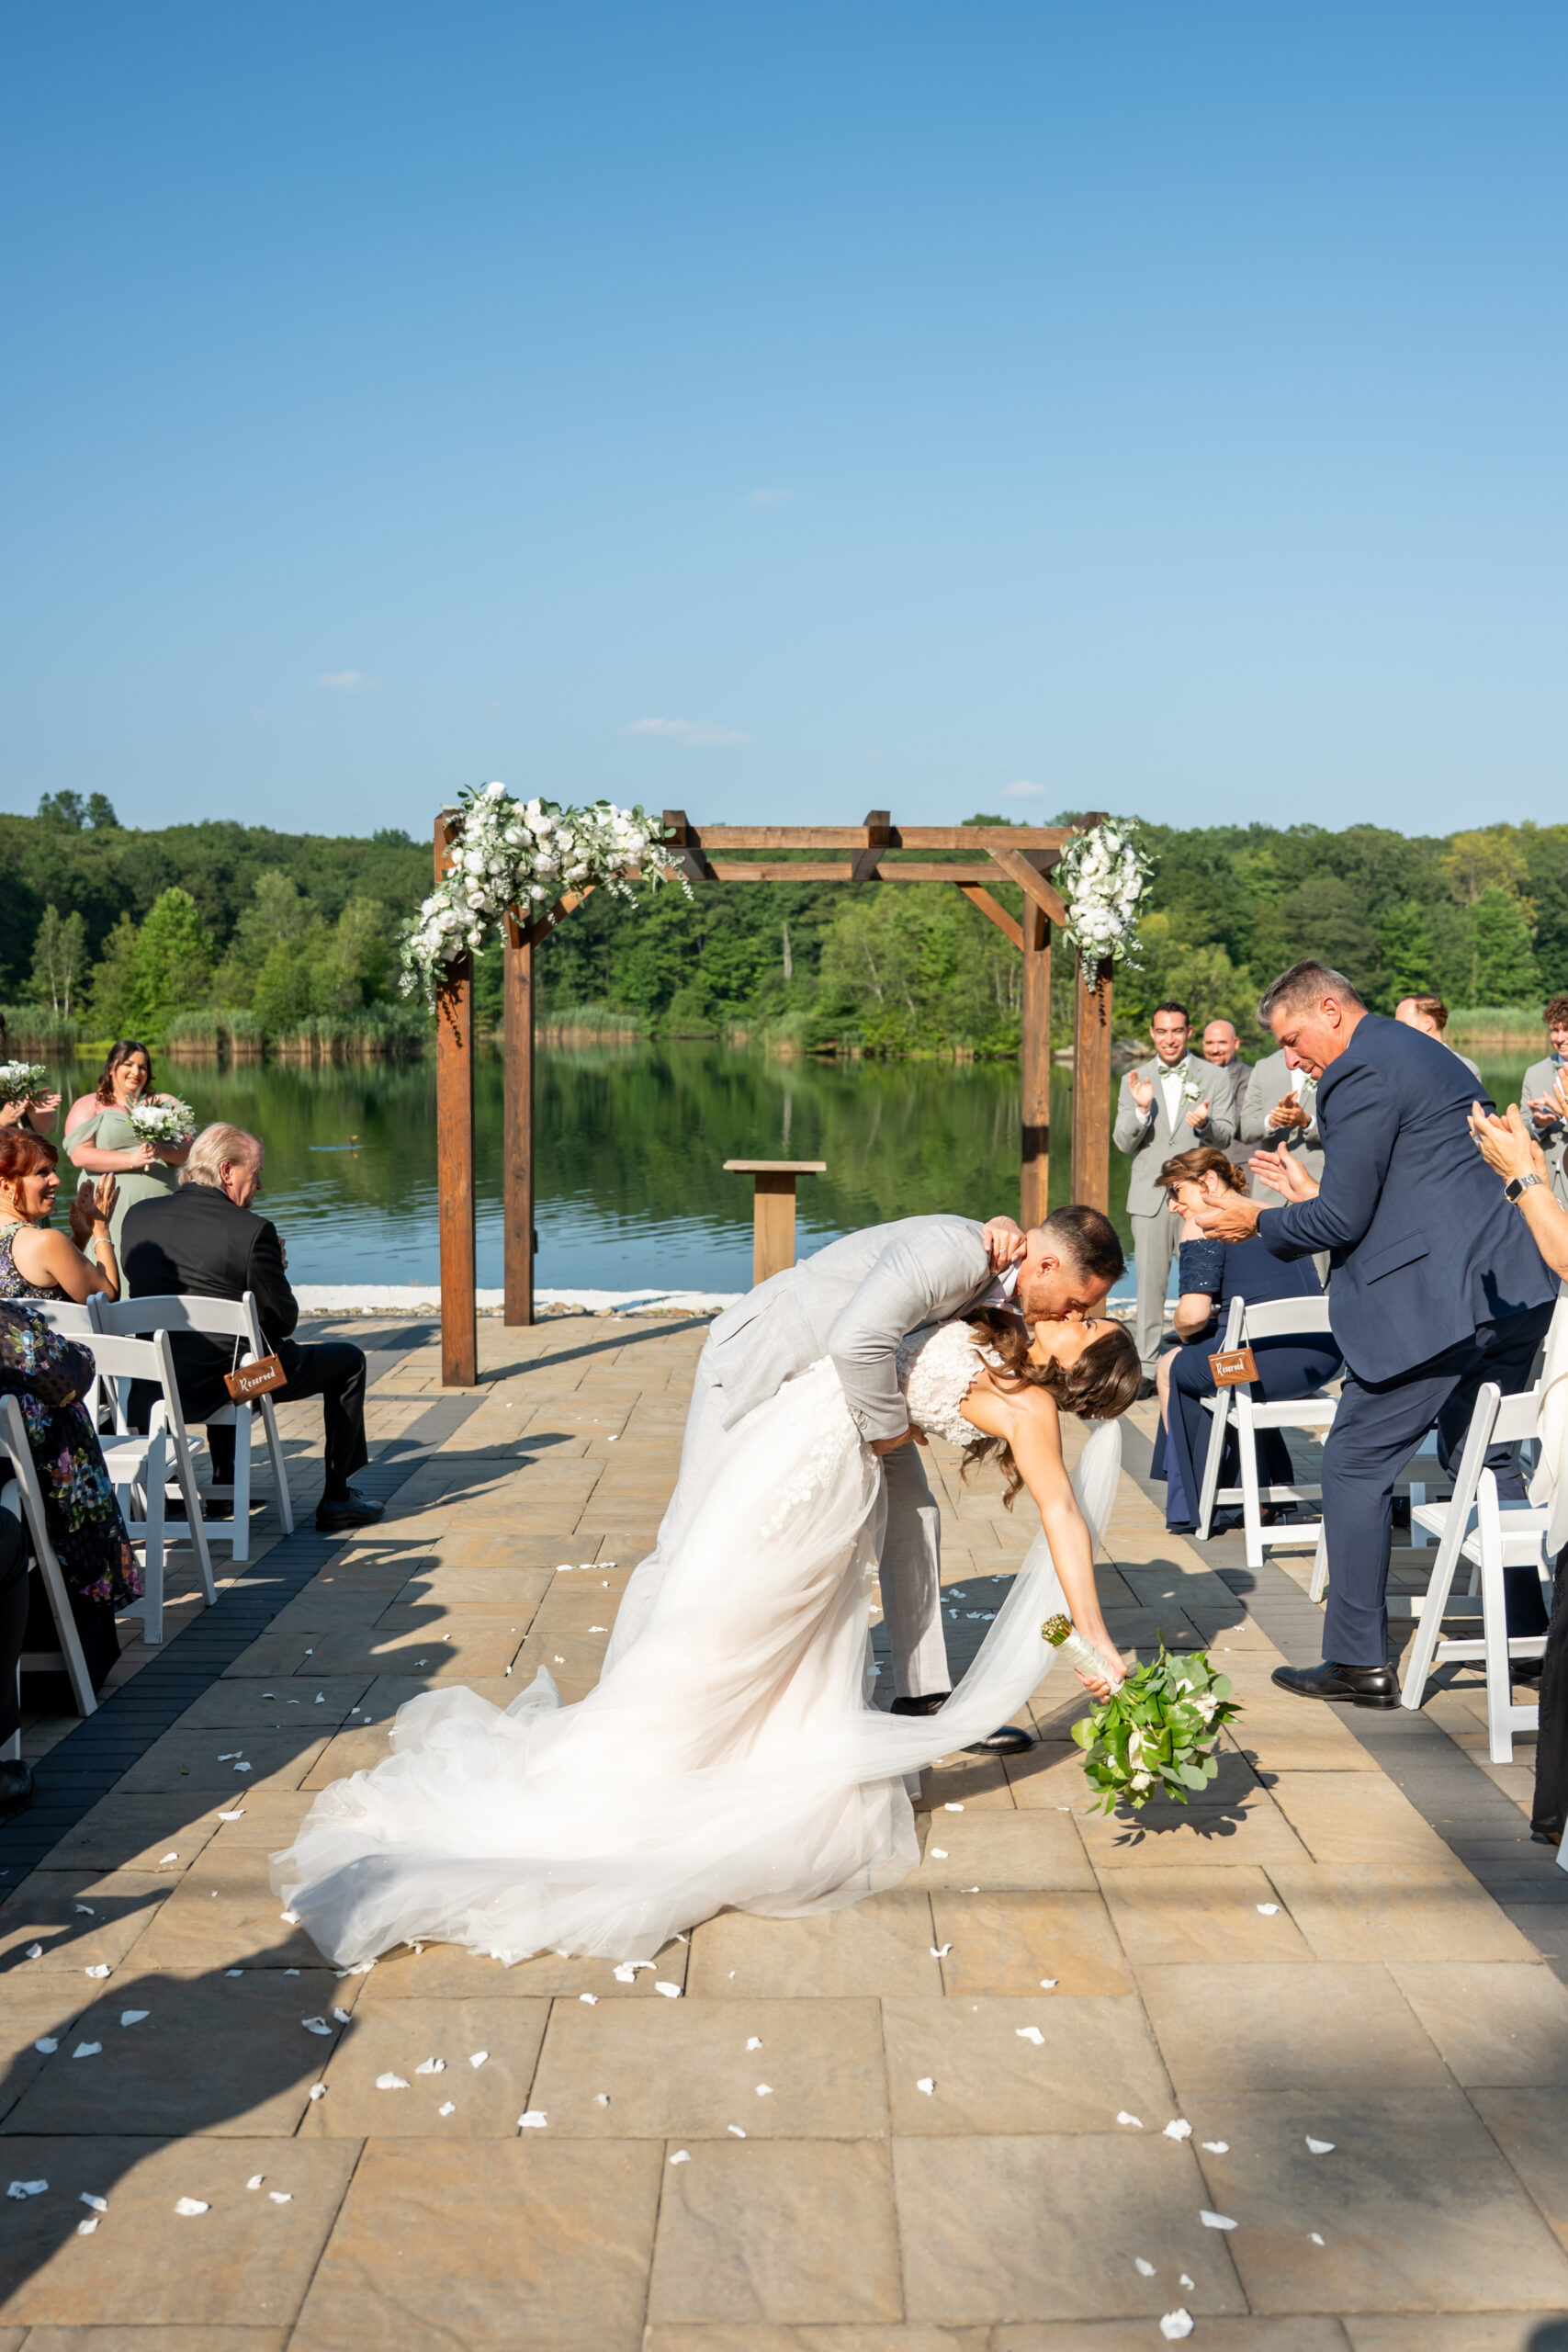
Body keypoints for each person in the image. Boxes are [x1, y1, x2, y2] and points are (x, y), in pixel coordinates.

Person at [273, 1236, 1141, 1970]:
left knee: (764, 1624)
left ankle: (674, 1743)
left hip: (817, 1453)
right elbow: (877, 1330)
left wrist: (1089, 1641)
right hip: (800, 1436)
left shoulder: (1028, 1404)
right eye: (1085, 1304)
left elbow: (1060, 1518)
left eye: (1088, 1323)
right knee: (728, 1607)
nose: (1075, 1316)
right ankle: (636, 1749)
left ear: (1078, 1368)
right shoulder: (994, 1317)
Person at [1195, 959, 1555, 1706]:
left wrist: (1255, 1218)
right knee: (1483, 1456)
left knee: (1354, 1464)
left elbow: (1341, 1222)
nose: (1290, 1059)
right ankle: (1529, 1640)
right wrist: (1310, 1194)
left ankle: (1357, 1660)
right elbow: (1411, 1185)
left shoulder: (1355, 1071)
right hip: (1509, 1291)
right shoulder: (1413, 1049)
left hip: (1434, 1305)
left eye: (1293, 1039)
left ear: (1329, 1009)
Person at [120, 1123, 382, 1534]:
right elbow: (282, 1320)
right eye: (255, 1173)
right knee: (347, 1361)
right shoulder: (252, 1231)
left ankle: (226, 1484)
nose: (259, 1185)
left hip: (154, 1388)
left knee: (223, 1350)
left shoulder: (138, 1218)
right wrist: (273, 1269)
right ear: (227, 1171)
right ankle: (337, 1497)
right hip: (236, 1387)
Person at [1149, 1147, 1341, 1533]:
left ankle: (1195, 1495)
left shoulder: (1203, 1223)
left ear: (1208, 1182)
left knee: (1173, 1366)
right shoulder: (1273, 1215)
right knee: (1229, 1359)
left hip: (1256, 1370)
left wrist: (1182, 1329)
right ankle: (1264, 1491)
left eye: (1176, 1192)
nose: (1172, 1206)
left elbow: (1193, 1316)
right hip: (1320, 1361)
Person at [0, 1303, 142, 1714]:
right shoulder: (8, 1327)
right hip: (25, 1513)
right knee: (63, 1415)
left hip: (18, 1504)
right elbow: (69, 1374)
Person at [1114, 1004, 1235, 1396]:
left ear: (1188, 1032)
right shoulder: (1135, 1078)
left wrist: (1208, 1126)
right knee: (1148, 1285)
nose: (1169, 1038)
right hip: (1150, 1196)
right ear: (1152, 1033)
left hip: (1200, 1199)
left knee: (1205, 1283)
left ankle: (1203, 1358)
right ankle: (1147, 1369)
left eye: (1177, 1031)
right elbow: (1123, 1142)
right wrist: (1142, 1110)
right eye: (1162, 1031)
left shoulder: (1214, 1076)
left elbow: (1228, 1136)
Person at [64, 1041, 192, 1259]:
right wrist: (132, 1159)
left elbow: (191, 1150)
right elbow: (79, 1155)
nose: (136, 1072)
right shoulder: (90, 1105)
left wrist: (161, 1150)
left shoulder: (166, 1103)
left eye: (143, 1067)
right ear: (112, 1068)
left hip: (163, 1207)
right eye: (129, 1064)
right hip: (107, 1209)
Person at [0, 1130, 119, 1306]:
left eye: (53, 1170)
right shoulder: (45, 1241)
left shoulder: (43, 1244)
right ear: (7, 1185)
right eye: (42, 1172)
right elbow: (106, 1300)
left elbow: (48, 1276)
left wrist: (80, 1236)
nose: (56, 1180)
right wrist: (100, 1227)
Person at [1240, 1041, 1325, 1204]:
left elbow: (1347, 1131)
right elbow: (1246, 1130)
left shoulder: (1326, 1061)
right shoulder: (1263, 1067)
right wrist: (1271, 1121)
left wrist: (1307, 1122)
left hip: (1316, 1184)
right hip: (1269, 1190)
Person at [1521, 996, 1568, 1212]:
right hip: (1544, 1183)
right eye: (1554, 1030)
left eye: (1566, 1029)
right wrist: (1537, 1124)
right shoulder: (1534, 1073)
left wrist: (1564, 1113)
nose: (1559, 1038)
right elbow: (1523, 1127)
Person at [1201, 1020, 1254, 1175]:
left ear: (1236, 1043)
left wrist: (1202, 1122)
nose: (1215, 1049)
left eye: (1222, 1043)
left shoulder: (1250, 1077)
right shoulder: (1194, 1077)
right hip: (1198, 1166)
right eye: (1209, 1043)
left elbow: (1234, 1122)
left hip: (1234, 1166)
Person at [1394, 995, 1481, 1081]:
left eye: (1402, 1024)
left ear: (1427, 1023)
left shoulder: (1465, 1069)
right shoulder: (1394, 1066)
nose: (1395, 1029)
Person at [0, 1013, 60, 1136]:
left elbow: (45, 1127)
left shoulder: (14, 1071)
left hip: (21, 1152)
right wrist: (2, 1121)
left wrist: (34, 1109)